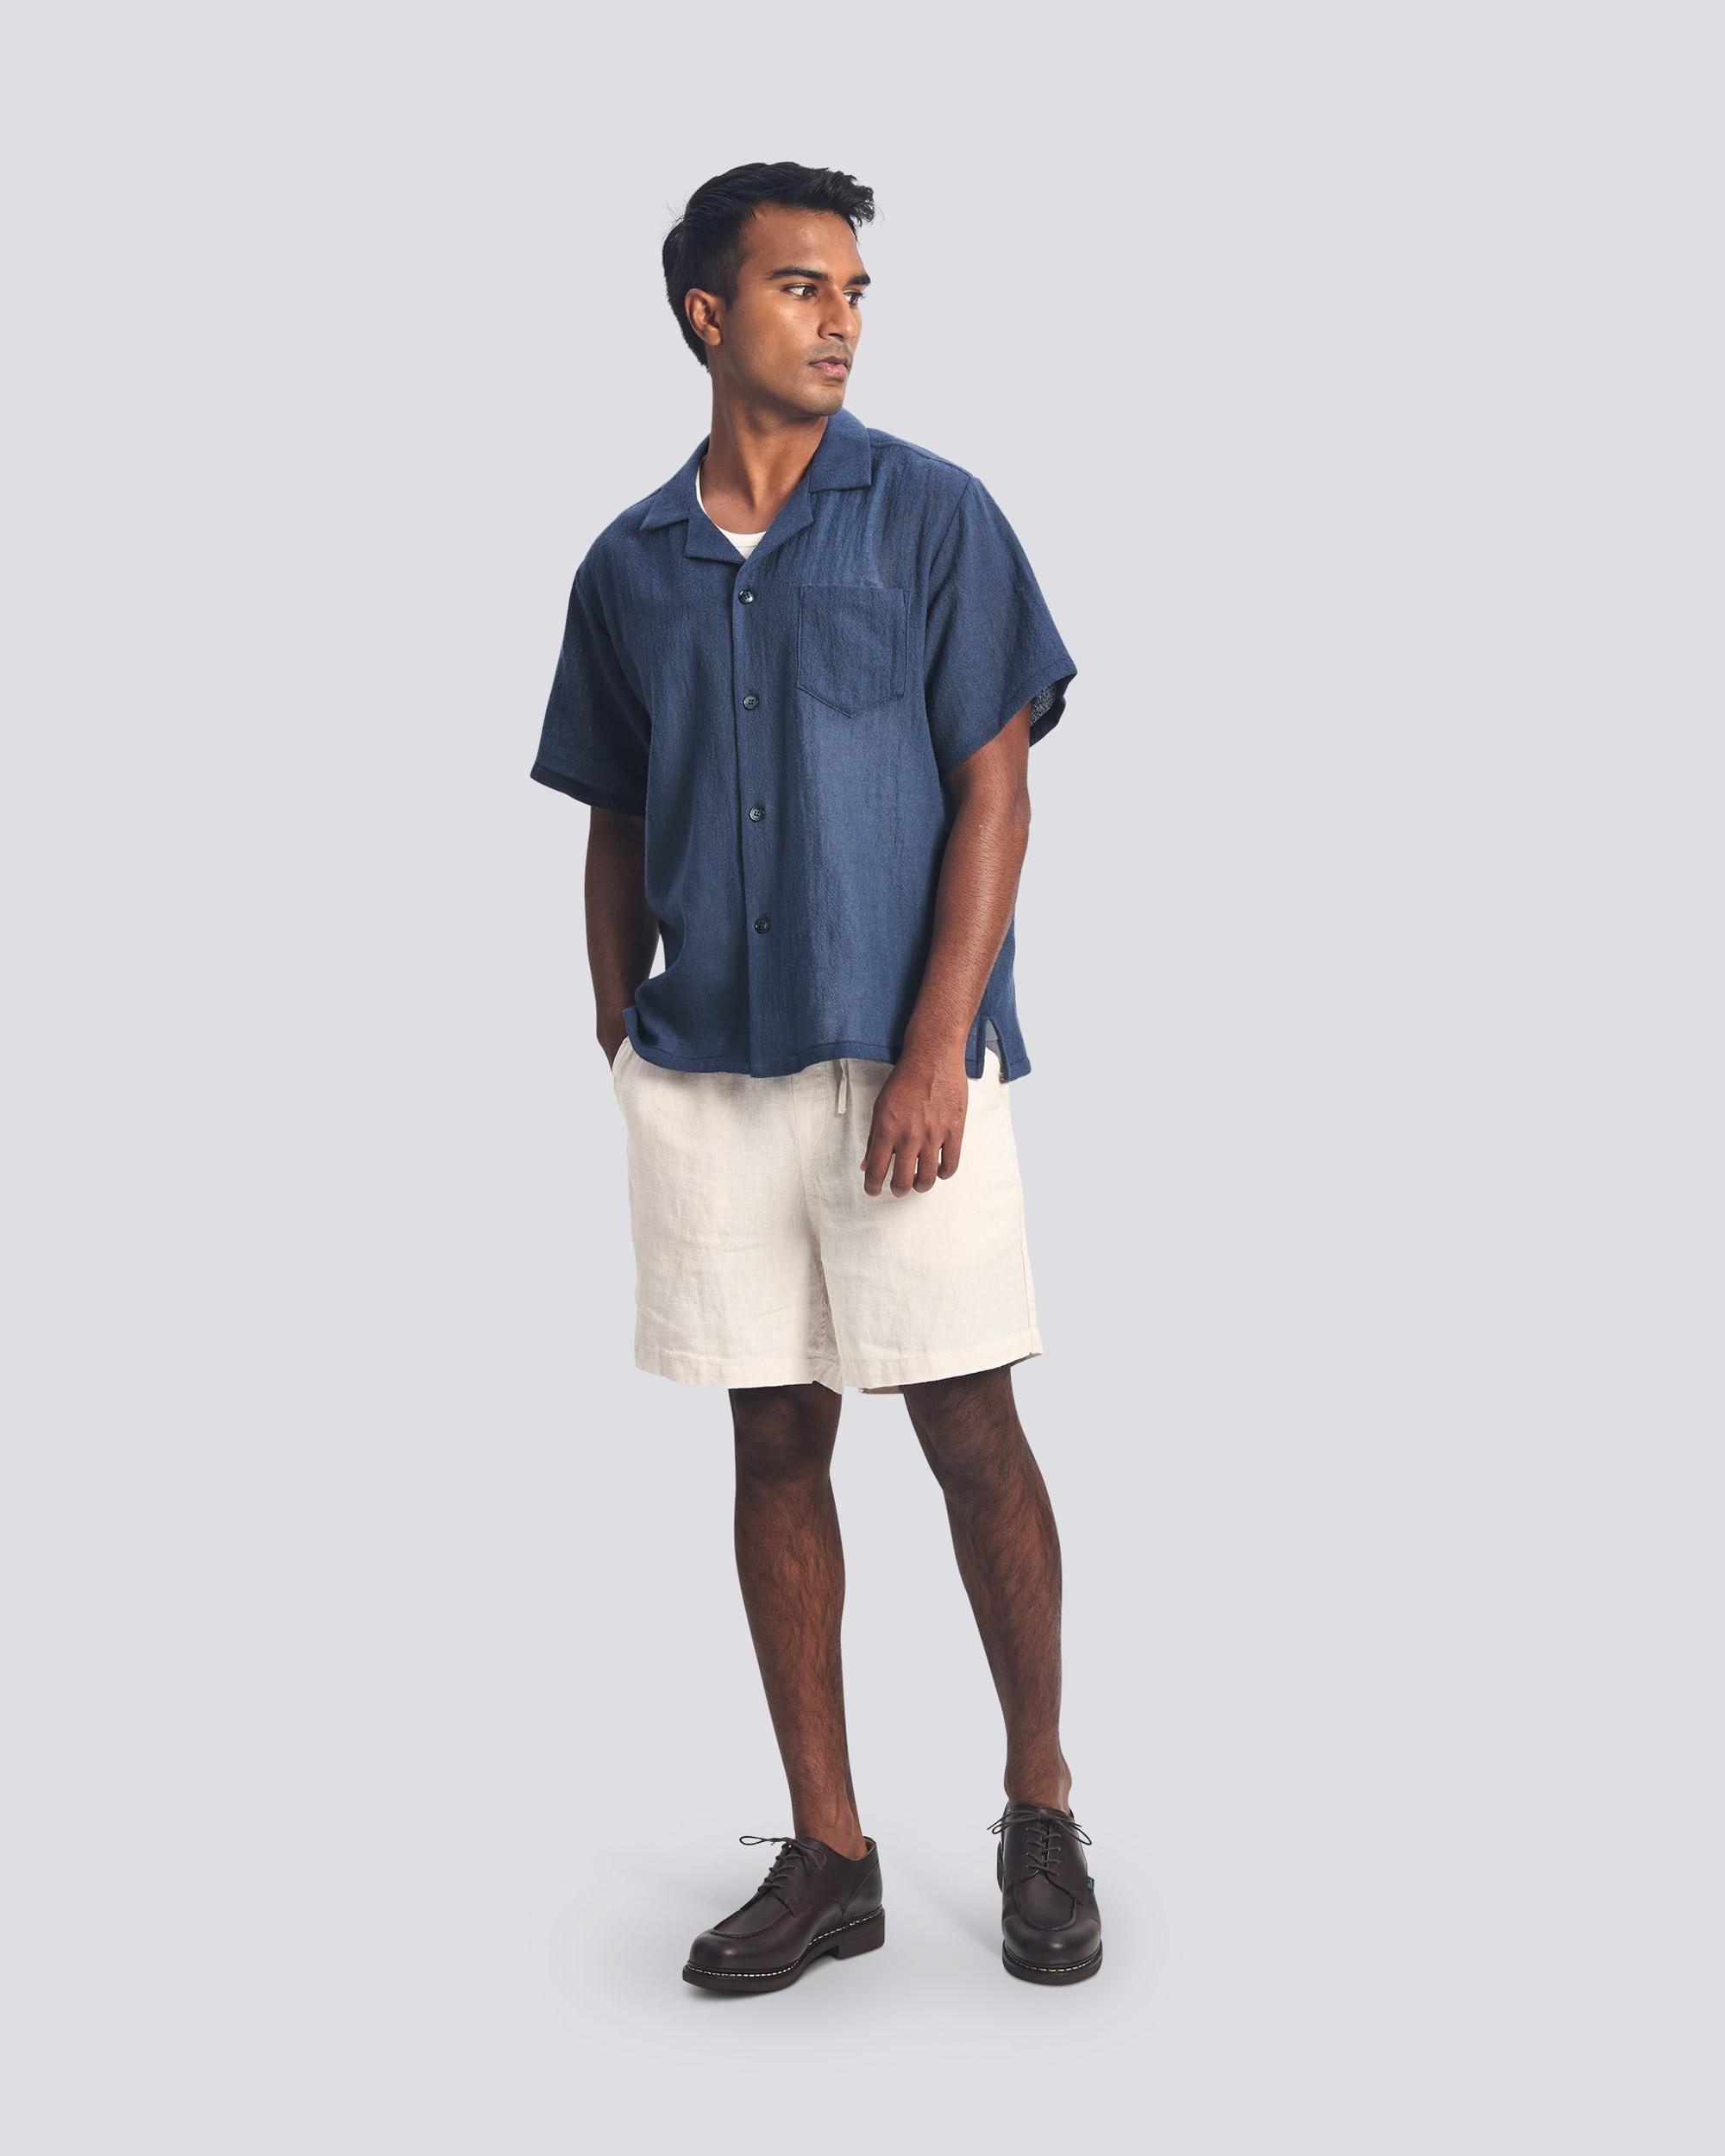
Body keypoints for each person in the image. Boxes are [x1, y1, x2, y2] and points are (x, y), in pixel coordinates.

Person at [530, 162, 1101, 1990]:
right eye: (801, 286)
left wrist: (938, 1045)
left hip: (902, 1060)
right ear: (710, 315)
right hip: (713, 1071)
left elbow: (998, 791)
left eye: (854, 289)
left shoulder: (935, 515)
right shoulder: (628, 564)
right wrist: (616, 1012)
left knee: (968, 1425)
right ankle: (831, 1849)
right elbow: (613, 803)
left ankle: (1038, 1804)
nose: (841, 319)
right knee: (772, 1436)